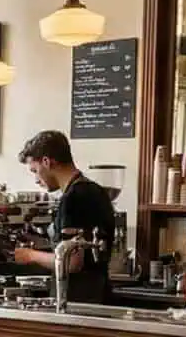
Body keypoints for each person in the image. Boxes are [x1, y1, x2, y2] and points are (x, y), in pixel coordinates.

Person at [11, 130, 116, 304]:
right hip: (99, 295)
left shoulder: (74, 198)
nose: (36, 179)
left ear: (47, 161)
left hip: (77, 301)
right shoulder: (96, 190)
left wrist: (30, 255)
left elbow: (73, 262)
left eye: (35, 171)